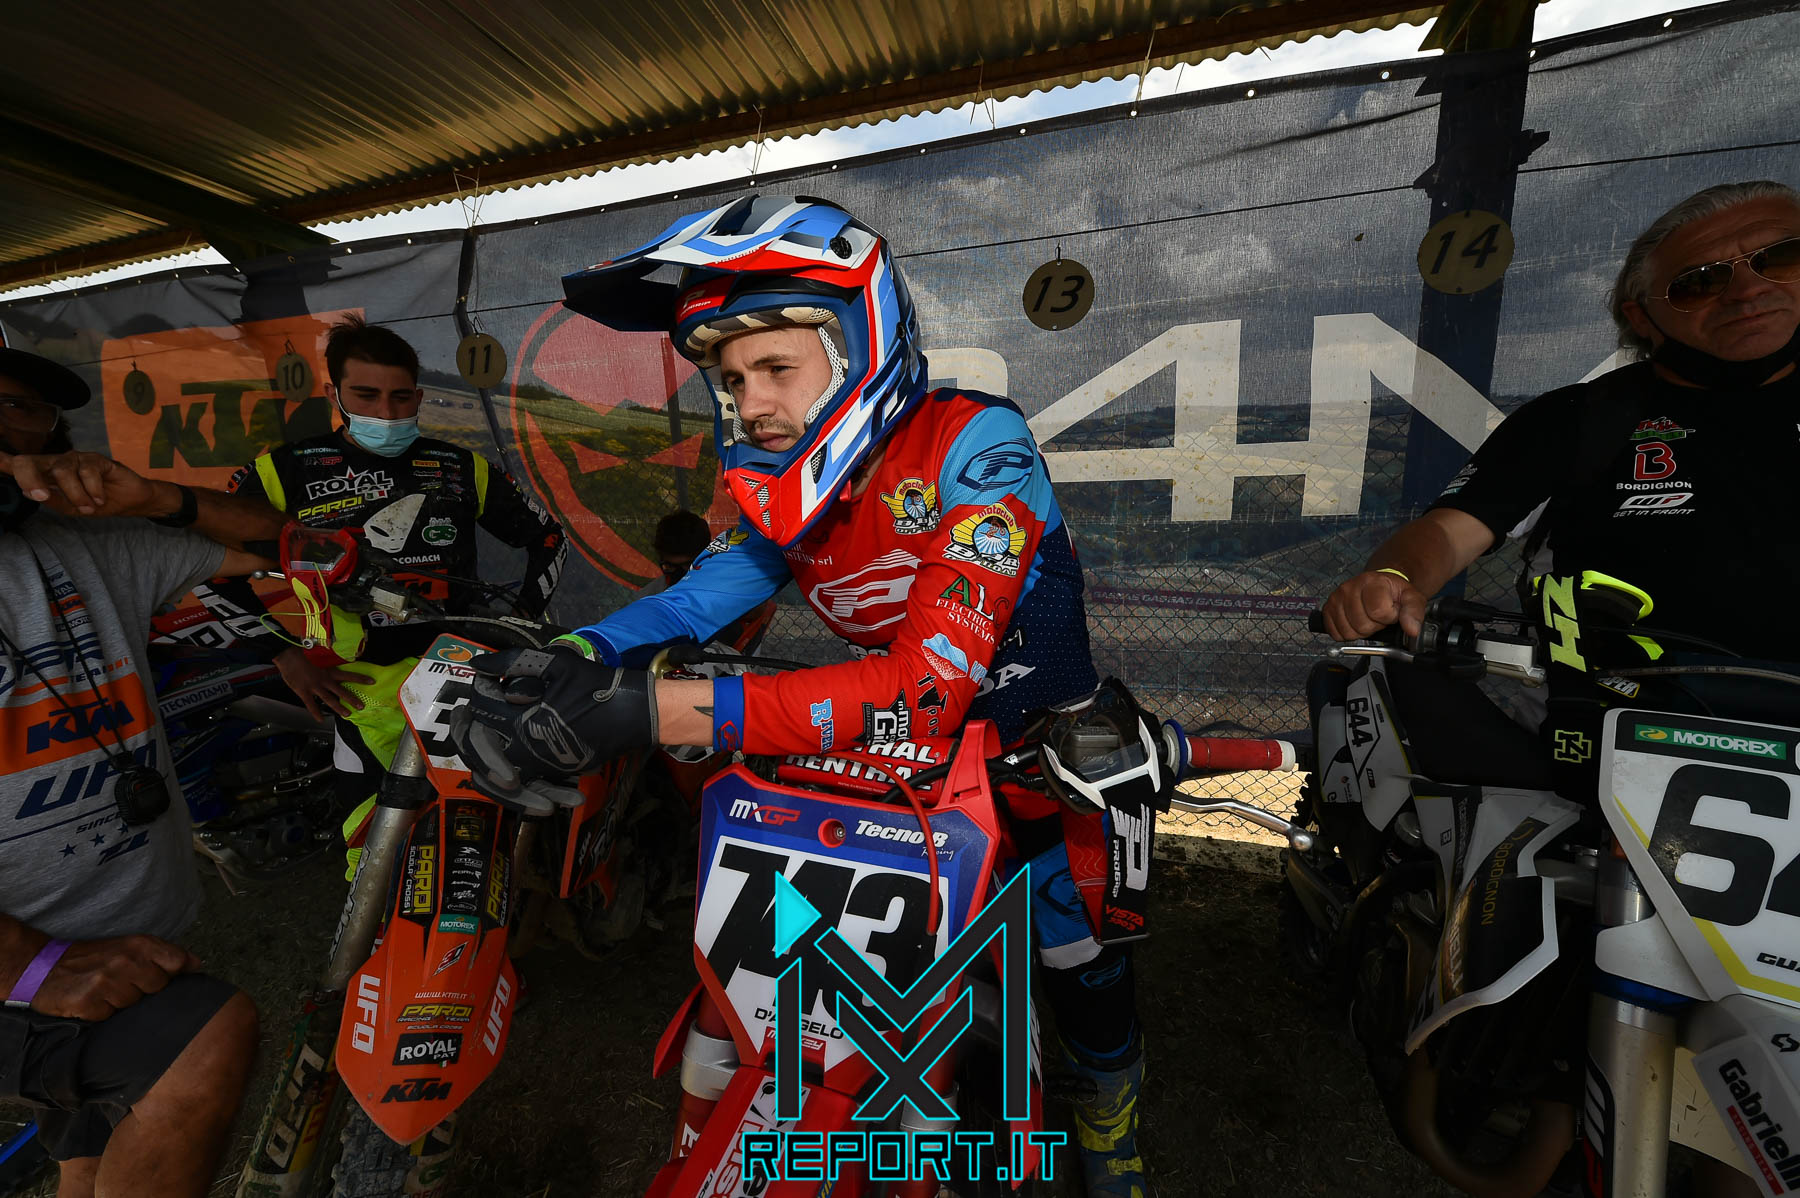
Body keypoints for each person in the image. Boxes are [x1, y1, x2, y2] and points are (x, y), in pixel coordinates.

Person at [462, 196, 1147, 1195]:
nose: (751, 402)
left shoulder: (976, 441)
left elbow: (925, 688)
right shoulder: (789, 484)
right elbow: (698, 598)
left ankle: (1111, 1115)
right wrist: (573, 652)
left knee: (1077, 952)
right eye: (732, 380)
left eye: (776, 368)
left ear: (860, 346)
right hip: (898, 768)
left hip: (1040, 755)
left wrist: (655, 710)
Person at [1322, 180, 1800, 779]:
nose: (1749, 290)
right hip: (1595, 745)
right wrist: (1394, 578)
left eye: (1781, 257)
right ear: (1642, 316)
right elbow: (1448, 531)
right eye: (1700, 282)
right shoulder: (1580, 418)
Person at [0, 338, 289, 1198]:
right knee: (204, 1037)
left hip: (109, 951)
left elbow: (288, 547)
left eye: (20, 409)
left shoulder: (86, 543)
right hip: (29, 972)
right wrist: (28, 965)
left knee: (94, 1146)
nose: (7, 433)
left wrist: (162, 497)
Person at [199, 316, 568, 822]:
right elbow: (206, 570)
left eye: (400, 397)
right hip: (356, 687)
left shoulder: (461, 467)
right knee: (370, 838)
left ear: (419, 397)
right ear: (333, 394)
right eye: (366, 395)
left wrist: (518, 619)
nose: (386, 412)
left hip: (460, 674)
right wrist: (282, 656)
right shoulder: (283, 471)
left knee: (477, 826)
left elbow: (549, 538)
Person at [638, 508, 713, 596]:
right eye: (670, 566)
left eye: (688, 565)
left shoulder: (723, 587)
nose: (680, 576)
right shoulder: (651, 596)